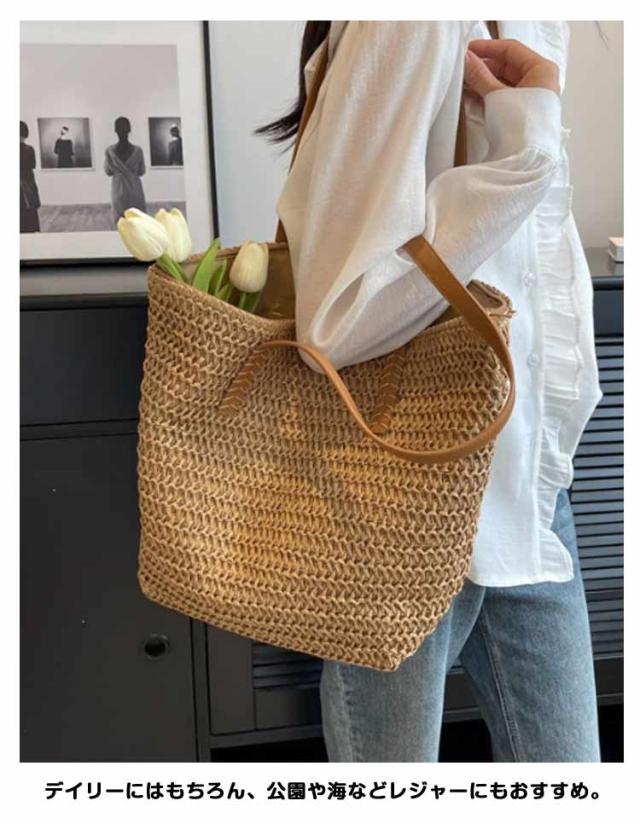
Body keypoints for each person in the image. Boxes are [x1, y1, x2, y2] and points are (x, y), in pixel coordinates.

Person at [256, 21, 604, 762]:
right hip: (403, 495)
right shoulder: (414, 21)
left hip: (527, 492)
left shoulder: (539, 25)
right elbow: (336, 320)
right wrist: (528, 148)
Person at [104, 116, 147, 227]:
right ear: (129, 130)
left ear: (115, 131)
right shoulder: (138, 151)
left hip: (118, 189)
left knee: (121, 224)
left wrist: (119, 170)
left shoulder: (109, 151)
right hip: (135, 189)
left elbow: (108, 172)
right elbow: (141, 171)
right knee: (138, 222)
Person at [20, 120, 41, 233]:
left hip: (26, 188)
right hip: (28, 188)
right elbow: (32, 165)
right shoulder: (29, 149)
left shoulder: (28, 150)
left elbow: (31, 165)